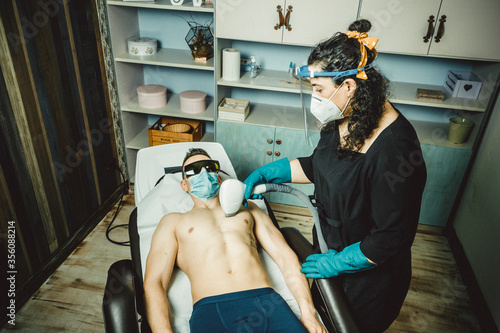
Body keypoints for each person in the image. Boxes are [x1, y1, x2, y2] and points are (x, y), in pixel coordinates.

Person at [243, 19, 427, 332]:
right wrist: (271, 172)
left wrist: (337, 263)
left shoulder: (396, 153)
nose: (315, 98)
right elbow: (321, 166)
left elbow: (388, 239)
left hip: (369, 280)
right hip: (330, 247)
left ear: (350, 86)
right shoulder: (347, 115)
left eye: (318, 89)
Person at [143, 148, 326, 333]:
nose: (204, 173)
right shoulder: (173, 221)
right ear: (184, 185)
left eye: (209, 167)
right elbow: (154, 282)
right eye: (194, 170)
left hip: (266, 302)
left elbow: (286, 258)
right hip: (212, 309)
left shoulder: (248, 209)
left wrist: (309, 313)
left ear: (219, 178)